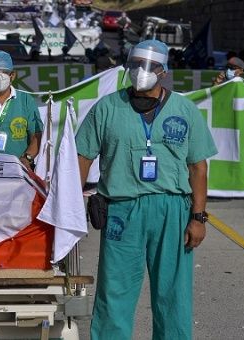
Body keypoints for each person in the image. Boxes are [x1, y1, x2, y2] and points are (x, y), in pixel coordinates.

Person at [76, 40, 217, 340]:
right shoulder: (107, 108)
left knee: (173, 294)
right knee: (115, 290)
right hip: (121, 210)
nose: (141, 71)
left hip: (172, 210)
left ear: (163, 71)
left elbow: (198, 168)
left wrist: (199, 217)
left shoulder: (184, 110)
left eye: (149, 65)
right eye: (135, 64)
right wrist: (75, 204)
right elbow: (82, 156)